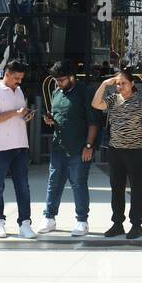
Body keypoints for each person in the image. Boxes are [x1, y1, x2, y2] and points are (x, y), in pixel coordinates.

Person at [91, 66, 142, 239]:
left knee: (136, 188)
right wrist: (105, 83)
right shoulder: (113, 99)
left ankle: (136, 225)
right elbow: (96, 103)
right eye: (118, 84)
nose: (120, 87)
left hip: (136, 150)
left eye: (124, 83)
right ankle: (117, 223)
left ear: (132, 83)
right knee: (117, 188)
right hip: (116, 150)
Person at [39, 60, 96, 237]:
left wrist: (89, 146)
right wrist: (50, 120)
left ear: (72, 77)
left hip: (79, 148)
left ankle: (82, 221)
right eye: (56, 80)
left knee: (78, 184)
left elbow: (94, 123)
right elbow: (58, 117)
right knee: (53, 183)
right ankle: (49, 218)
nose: (58, 83)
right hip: (58, 147)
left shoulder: (85, 92)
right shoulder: (57, 92)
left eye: (61, 80)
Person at [0, 60, 36, 239]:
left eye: (21, 78)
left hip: (20, 144)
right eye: (16, 78)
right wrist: (15, 112)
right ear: (7, 73)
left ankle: (25, 222)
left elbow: (19, 115)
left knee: (23, 186)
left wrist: (26, 115)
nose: (19, 81)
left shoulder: (19, 91)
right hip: (0, 146)